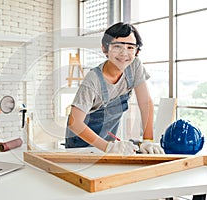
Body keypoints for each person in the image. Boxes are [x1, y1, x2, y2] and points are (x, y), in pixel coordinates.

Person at [65, 22, 164, 155]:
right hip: (80, 144)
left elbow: (145, 103)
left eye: (130, 47)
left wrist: (148, 139)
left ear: (137, 51)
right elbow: (74, 122)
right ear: (105, 49)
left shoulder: (134, 66)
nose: (124, 53)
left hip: (107, 142)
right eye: (117, 46)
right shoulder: (93, 80)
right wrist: (108, 147)